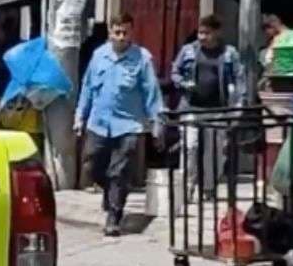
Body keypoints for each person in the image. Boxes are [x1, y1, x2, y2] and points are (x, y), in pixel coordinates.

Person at [75, 13, 165, 236]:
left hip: (129, 125)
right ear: (110, 32)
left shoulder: (142, 58)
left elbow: (151, 93)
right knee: (92, 165)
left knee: (119, 171)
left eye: (126, 32)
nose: (122, 37)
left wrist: (157, 124)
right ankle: (109, 192)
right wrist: (80, 116)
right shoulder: (98, 56)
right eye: (117, 32)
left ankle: (114, 216)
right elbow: (87, 88)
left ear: (131, 32)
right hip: (98, 123)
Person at [172, 15, 245, 194]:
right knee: (191, 147)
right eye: (200, 32)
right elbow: (175, 71)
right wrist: (183, 83)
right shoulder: (188, 51)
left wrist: (238, 105)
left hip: (218, 110)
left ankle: (209, 187)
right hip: (191, 107)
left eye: (207, 33)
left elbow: (239, 78)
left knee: (215, 151)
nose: (202, 37)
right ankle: (188, 185)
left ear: (217, 32)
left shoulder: (229, 53)